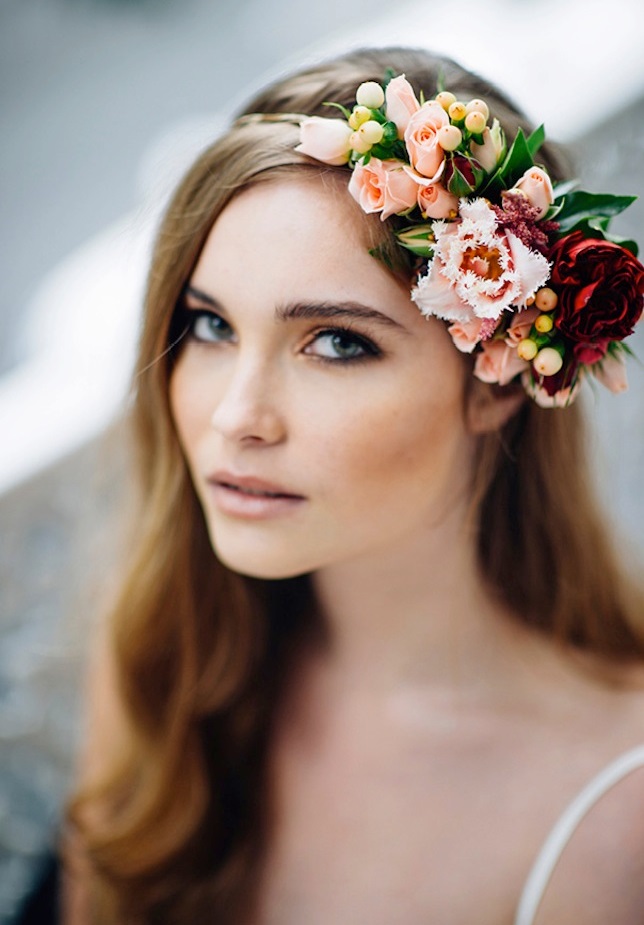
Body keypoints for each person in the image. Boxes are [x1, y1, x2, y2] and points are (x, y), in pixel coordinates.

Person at [63, 46, 644, 925]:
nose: (235, 417)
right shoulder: (165, 648)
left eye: (336, 342)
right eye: (209, 324)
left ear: (492, 382)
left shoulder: (614, 822)